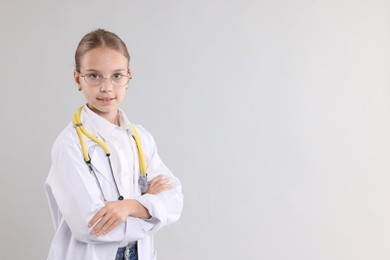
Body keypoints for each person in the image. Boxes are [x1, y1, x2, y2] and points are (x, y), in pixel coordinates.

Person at [45, 29, 183, 260]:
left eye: (117, 75)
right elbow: (90, 226)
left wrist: (129, 206)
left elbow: (174, 200)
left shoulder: (141, 138)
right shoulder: (69, 145)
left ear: (129, 76)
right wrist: (150, 208)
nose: (107, 87)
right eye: (94, 75)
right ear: (77, 78)